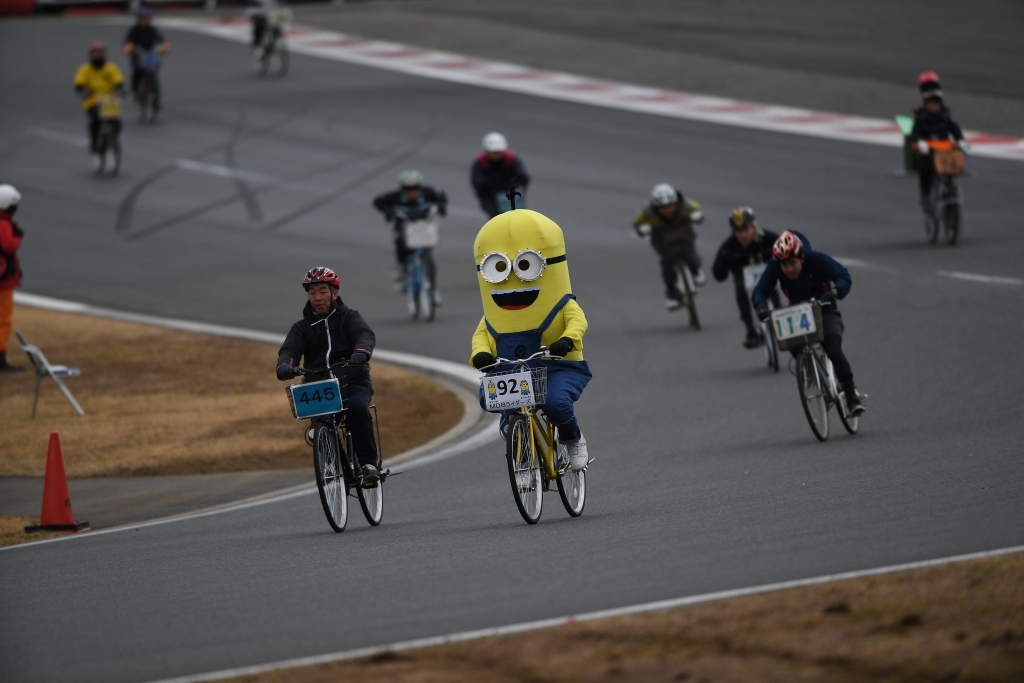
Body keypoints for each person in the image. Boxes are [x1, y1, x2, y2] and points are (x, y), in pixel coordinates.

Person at [469, 209, 592, 471]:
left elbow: (577, 321)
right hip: (510, 369)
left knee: (555, 402)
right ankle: (522, 462)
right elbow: (482, 333)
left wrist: (567, 340)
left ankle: (573, 439)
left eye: (525, 265)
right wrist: (480, 354)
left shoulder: (563, 304)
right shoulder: (494, 315)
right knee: (507, 409)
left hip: (557, 366)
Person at [276, 267, 382, 482]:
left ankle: (369, 464)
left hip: (353, 381)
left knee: (356, 411)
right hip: (319, 387)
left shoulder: (350, 317)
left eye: (323, 291)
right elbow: (289, 350)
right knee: (318, 428)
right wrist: (286, 365)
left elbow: (365, 334)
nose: (317, 297)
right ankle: (334, 464)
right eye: (312, 292)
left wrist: (361, 352)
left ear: (334, 293)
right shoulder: (301, 328)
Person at [752, 231, 865, 414]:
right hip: (797, 314)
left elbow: (843, 276)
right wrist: (761, 307)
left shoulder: (816, 259)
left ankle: (852, 396)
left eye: (793, 264)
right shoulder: (774, 266)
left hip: (825, 310)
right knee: (795, 347)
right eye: (784, 265)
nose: (789, 269)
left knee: (833, 348)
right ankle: (813, 376)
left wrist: (835, 293)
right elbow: (760, 290)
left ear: (802, 258)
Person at [372, 170, 448, 301]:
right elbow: (378, 201)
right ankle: (401, 270)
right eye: (408, 189)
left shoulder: (429, 193)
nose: (412, 192)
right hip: (403, 227)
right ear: (402, 189)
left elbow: (441, 196)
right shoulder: (394, 196)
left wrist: (441, 207)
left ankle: (433, 289)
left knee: (428, 255)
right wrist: (388, 211)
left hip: (424, 227)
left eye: (415, 188)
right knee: (400, 245)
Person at [712, 207, 779, 348]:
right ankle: (750, 330)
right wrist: (725, 263)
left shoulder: (767, 237)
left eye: (746, 229)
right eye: (738, 231)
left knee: (774, 284)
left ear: (753, 227)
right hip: (743, 275)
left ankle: (780, 316)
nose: (743, 235)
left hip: (765, 269)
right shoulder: (729, 246)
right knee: (740, 287)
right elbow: (718, 273)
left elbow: (788, 245)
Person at [632, 183, 706, 310]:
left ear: (676, 202)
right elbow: (637, 223)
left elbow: (697, 209)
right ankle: (672, 294)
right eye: (662, 207)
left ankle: (696, 270)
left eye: (670, 205)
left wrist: (697, 216)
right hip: (663, 240)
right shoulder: (647, 213)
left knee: (690, 254)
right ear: (655, 207)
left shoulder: (685, 204)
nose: (667, 210)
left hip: (683, 234)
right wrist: (642, 229)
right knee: (667, 265)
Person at [910, 73, 966, 210]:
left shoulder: (946, 116)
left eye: (936, 103)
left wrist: (960, 140)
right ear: (926, 104)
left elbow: (955, 129)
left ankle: (949, 188)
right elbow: (915, 133)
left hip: (945, 149)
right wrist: (920, 142)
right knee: (925, 168)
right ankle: (925, 193)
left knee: (955, 160)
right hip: (929, 151)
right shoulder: (921, 117)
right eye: (931, 104)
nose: (934, 107)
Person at [74, 42, 125, 171]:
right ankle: (95, 149)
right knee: (95, 124)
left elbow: (118, 80)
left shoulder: (110, 68)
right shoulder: (85, 69)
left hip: (109, 101)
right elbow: (79, 84)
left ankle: (113, 144)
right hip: (93, 102)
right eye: (95, 54)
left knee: (116, 123)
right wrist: (83, 90)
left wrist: (120, 89)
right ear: (91, 55)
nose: (97, 56)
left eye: (100, 53)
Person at [470, 132, 530, 218]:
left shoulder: (512, 159)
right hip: (491, 197)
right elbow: (477, 182)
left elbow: (523, 177)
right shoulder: (481, 162)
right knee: (496, 218)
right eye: (493, 152)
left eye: (498, 152)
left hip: (511, 195)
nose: (496, 155)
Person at [123, 8, 170, 112]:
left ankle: (156, 99)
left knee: (154, 75)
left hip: (149, 55)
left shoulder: (152, 30)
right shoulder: (134, 30)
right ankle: (135, 91)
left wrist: (164, 47)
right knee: (136, 73)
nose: (144, 21)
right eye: (142, 19)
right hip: (137, 55)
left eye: (146, 19)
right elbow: (127, 43)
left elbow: (161, 40)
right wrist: (130, 49)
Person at [0, 185, 24, 373]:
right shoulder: (3, 224)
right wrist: (18, 237)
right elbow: (9, 246)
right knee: (4, 318)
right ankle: (0, 357)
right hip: (3, 281)